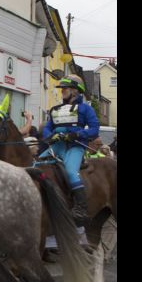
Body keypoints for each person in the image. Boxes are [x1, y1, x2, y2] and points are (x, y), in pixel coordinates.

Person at [40, 74, 100, 228]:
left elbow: (94, 129)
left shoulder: (86, 109)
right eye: (61, 89)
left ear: (75, 90)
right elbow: (47, 128)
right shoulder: (55, 109)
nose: (62, 92)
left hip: (75, 145)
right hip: (57, 145)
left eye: (64, 89)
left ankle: (81, 209)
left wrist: (77, 134)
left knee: (71, 172)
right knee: (36, 164)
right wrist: (49, 137)